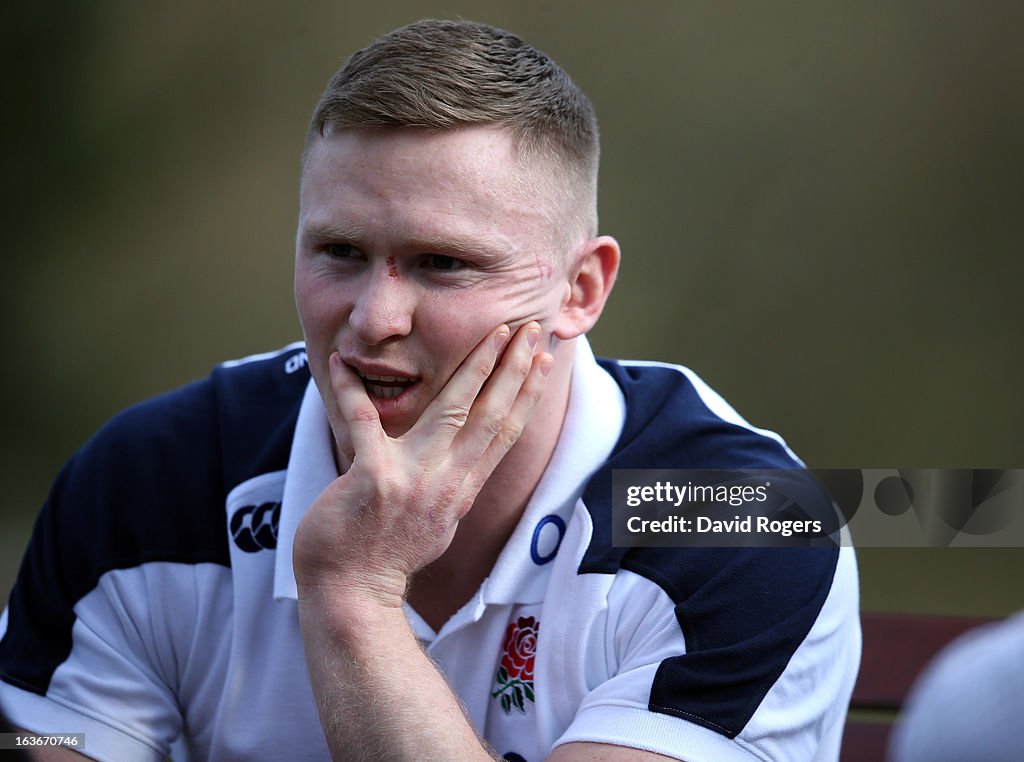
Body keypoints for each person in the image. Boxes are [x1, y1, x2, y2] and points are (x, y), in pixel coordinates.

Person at [0, 19, 860, 762]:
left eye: (442, 263)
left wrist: (356, 593)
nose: (373, 318)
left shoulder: (751, 524)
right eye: (339, 252)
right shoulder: (145, 482)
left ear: (581, 291)